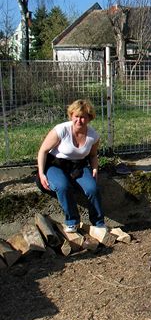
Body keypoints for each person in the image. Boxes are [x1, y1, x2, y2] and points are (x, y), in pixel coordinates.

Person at [37, 99, 106, 233]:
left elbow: (92, 155)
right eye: (76, 117)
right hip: (55, 164)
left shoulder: (93, 136)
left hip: (78, 166)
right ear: (71, 115)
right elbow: (43, 151)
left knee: (92, 188)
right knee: (63, 187)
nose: (79, 121)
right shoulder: (61, 130)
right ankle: (72, 221)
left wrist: (95, 168)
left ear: (89, 118)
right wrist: (41, 173)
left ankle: (99, 223)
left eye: (83, 118)